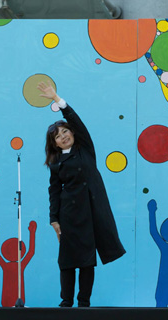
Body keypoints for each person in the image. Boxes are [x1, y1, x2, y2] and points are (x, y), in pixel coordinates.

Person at [39, 82, 126, 307]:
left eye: (65, 131)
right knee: (67, 260)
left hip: (91, 212)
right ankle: (66, 301)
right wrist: (54, 219)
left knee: (88, 261)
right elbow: (54, 191)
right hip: (69, 214)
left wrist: (57, 99)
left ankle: (83, 302)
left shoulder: (85, 147)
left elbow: (75, 120)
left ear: (73, 133)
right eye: (58, 136)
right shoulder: (56, 163)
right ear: (55, 144)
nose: (64, 136)